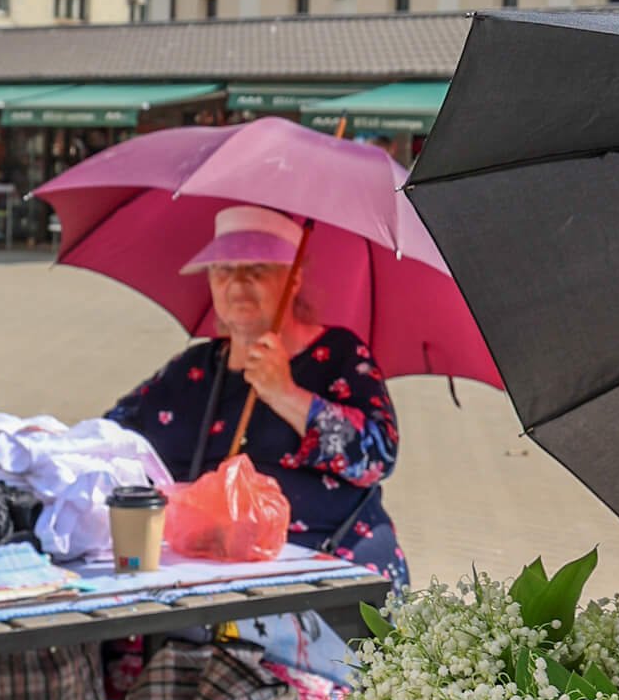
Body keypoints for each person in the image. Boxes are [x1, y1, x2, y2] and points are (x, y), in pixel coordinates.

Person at [107, 206, 408, 587]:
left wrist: (286, 394)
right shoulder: (196, 367)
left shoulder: (340, 356)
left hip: (327, 567)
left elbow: (378, 457)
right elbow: (112, 436)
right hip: (209, 572)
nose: (237, 284)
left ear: (294, 278)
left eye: (256, 271)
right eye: (223, 270)